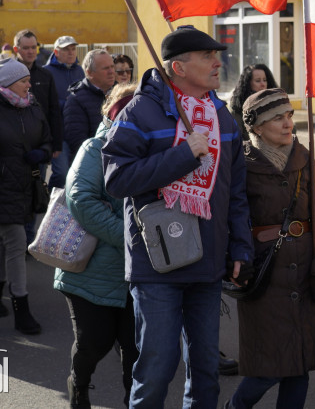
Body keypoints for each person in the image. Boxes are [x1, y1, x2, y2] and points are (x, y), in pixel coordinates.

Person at [103, 25, 252, 409]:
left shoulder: (222, 115)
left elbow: (236, 191)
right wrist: (183, 155)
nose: (217, 63)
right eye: (207, 56)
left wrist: (240, 246)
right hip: (157, 264)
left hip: (208, 263)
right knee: (157, 368)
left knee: (205, 371)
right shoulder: (140, 111)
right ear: (179, 68)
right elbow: (116, 180)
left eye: (216, 55)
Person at [226, 89, 315, 409]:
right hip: (265, 276)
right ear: (257, 127)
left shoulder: (304, 158)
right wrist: (238, 260)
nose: (288, 123)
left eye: (289, 115)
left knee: (299, 366)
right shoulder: (241, 164)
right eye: (277, 118)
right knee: (269, 368)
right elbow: (231, 218)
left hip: (305, 274)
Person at [55, 82, 139, 409]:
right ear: (111, 112)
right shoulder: (96, 147)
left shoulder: (156, 149)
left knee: (136, 349)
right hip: (92, 269)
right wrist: (129, 237)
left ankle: (135, 403)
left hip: (139, 271)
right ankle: (79, 385)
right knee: (94, 343)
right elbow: (81, 200)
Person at [0, 58, 51, 335]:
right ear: (7, 83)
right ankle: (21, 307)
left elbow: (47, 137)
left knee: (7, 243)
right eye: (24, 81)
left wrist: (42, 152)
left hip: (26, 185)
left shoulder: (32, 104)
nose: (30, 85)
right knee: (17, 242)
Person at [13, 30, 64, 187]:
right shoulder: (9, 75)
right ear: (16, 49)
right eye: (26, 48)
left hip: (40, 142)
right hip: (15, 141)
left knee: (38, 185)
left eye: (33, 47)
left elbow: (54, 110)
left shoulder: (45, 75)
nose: (30, 51)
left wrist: (56, 143)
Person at [64, 49, 115, 158]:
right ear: (89, 72)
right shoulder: (76, 100)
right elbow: (77, 142)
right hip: (94, 161)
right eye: (106, 68)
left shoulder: (120, 94)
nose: (111, 71)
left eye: (112, 66)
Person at [229, 64, 278, 138]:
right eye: (258, 81)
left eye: (265, 80)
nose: (263, 84)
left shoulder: (275, 101)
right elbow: (237, 136)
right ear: (248, 84)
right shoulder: (237, 105)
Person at [46, 35, 86, 110]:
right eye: (66, 49)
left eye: (73, 49)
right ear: (56, 52)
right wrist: (68, 104)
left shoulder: (80, 70)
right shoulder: (46, 72)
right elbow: (44, 100)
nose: (71, 53)